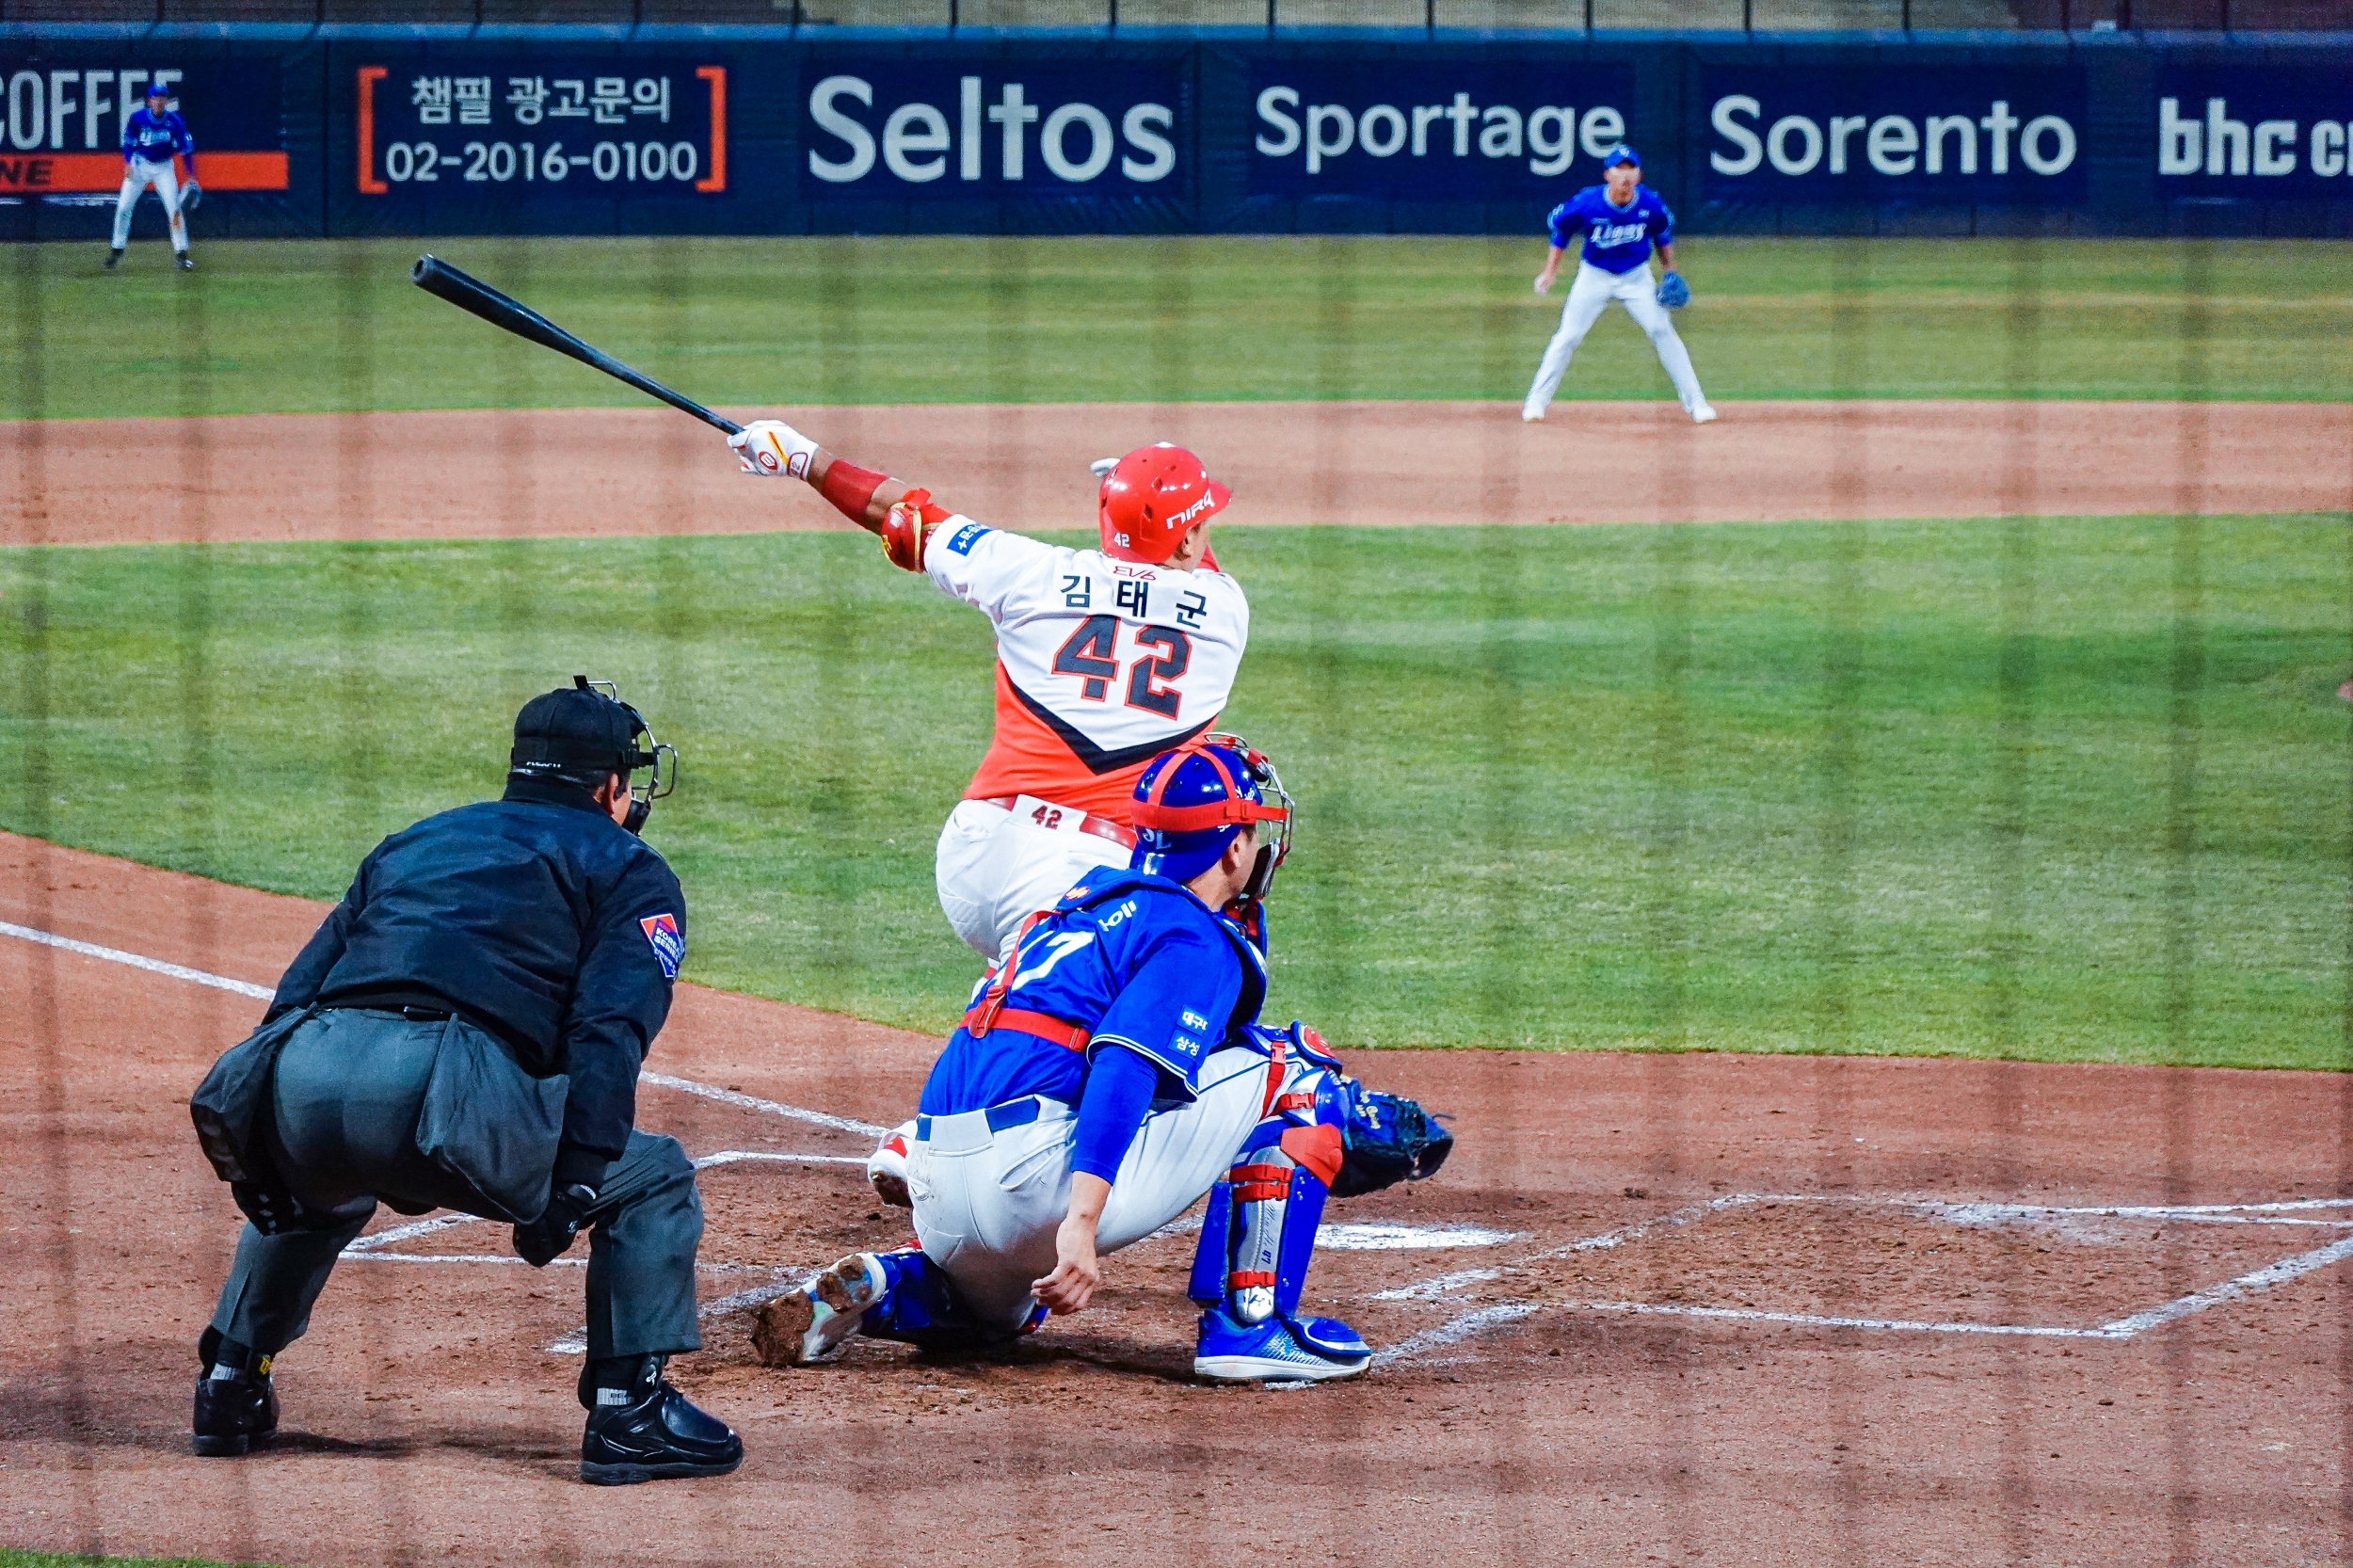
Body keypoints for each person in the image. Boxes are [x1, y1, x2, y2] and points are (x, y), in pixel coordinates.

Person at [185, 679, 743, 1485]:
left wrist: (263, 1151)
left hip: (305, 1075)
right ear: (609, 787)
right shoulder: (629, 868)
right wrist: (577, 1182)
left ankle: (229, 1382)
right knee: (653, 1175)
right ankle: (629, 1413)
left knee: (324, 1187)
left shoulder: (416, 840)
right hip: (440, 1093)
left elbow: (296, 995)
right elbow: (608, 1032)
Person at [748, 737, 1389, 1384]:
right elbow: (1124, 1067)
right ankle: (1251, 1325)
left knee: (995, 1317)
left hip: (939, 1189)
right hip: (1031, 1191)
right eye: (1252, 832)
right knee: (1296, 1068)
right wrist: (1080, 1225)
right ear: (1232, 849)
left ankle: (889, 1282)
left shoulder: (1076, 903)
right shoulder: (1190, 932)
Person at [724, 418, 1250, 965]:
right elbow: (1185, 559)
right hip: (1087, 874)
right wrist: (1146, 510)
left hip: (974, 853)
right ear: (1187, 535)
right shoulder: (1225, 611)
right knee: (1086, 1001)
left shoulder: (1027, 571)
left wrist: (801, 457)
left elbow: (904, 516)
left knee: (1019, 985)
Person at [1522, 145, 1714, 426]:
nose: (1625, 175)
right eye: (1619, 169)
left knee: (1662, 330)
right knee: (1568, 337)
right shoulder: (1588, 202)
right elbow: (1561, 229)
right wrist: (1550, 271)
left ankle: (1697, 403)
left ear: (1639, 175)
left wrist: (1669, 270)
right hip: (1594, 276)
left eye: (1630, 169)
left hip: (1636, 277)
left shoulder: (1650, 203)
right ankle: (1536, 402)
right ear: (1607, 175)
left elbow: (1661, 235)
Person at [109, 79, 198, 272]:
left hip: (164, 167)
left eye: (162, 98)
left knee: (174, 209)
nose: (158, 101)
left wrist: (191, 175)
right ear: (149, 101)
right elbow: (129, 143)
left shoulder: (175, 121)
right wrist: (127, 162)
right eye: (155, 98)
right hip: (140, 165)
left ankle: (182, 254)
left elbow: (186, 150)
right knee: (123, 206)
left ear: (166, 101)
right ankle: (117, 248)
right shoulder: (138, 118)